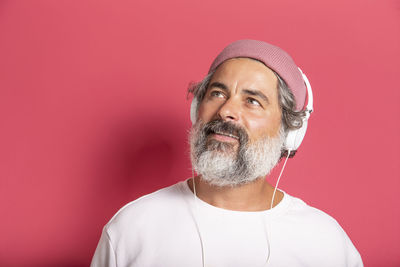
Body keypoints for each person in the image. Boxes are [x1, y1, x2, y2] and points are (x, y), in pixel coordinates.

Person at [91, 40, 363, 267]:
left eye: (252, 101)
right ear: (197, 108)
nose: (225, 111)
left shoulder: (327, 243)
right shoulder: (132, 228)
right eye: (218, 93)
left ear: (289, 130)